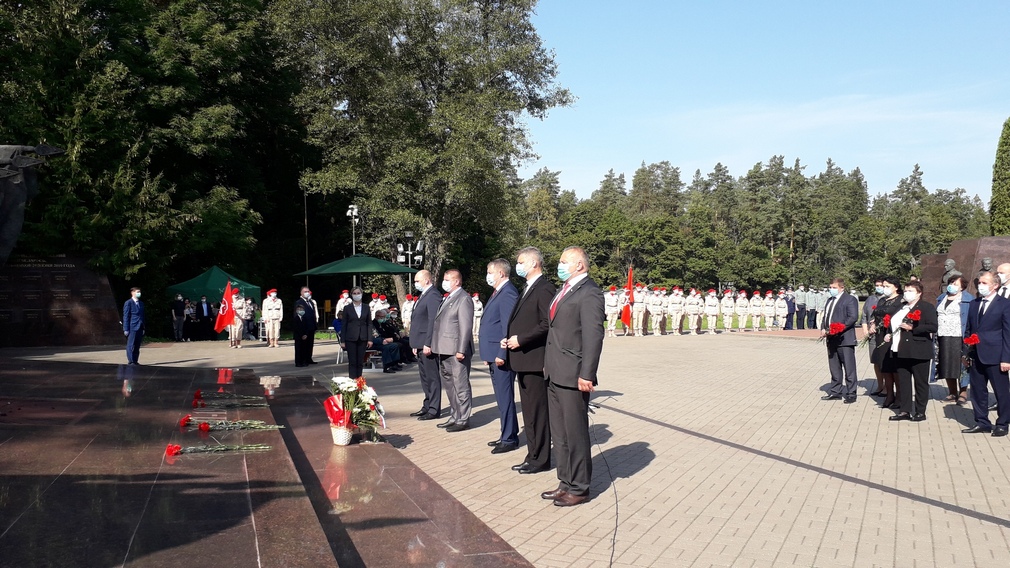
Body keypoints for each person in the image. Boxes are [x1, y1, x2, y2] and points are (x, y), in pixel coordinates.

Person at [540, 246, 605, 507]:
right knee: (560, 434)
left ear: (579, 265)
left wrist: (587, 373)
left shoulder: (590, 292)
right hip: (555, 371)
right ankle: (565, 482)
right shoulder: (564, 289)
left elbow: (593, 336)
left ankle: (580, 487)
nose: (560, 265)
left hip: (573, 374)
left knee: (575, 433)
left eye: (564, 261)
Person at [505, 246, 556, 474]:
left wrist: (521, 339)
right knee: (529, 413)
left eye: (520, 262)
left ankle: (541, 459)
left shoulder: (544, 288)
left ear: (534, 263)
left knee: (538, 412)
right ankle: (532, 455)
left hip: (534, 360)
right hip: (523, 359)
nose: (518, 266)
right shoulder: (527, 288)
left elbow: (547, 323)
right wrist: (510, 339)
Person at [962, 271, 1010, 436]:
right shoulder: (974, 303)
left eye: (984, 283)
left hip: (996, 355)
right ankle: (982, 422)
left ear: (995, 285)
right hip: (976, 354)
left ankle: (1002, 423)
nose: (980, 286)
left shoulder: (1004, 304)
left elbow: (1008, 333)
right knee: (977, 391)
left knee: (1001, 392)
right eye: (979, 283)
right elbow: (969, 329)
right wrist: (965, 353)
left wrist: (1006, 358)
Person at [479, 258, 520, 454]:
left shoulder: (508, 293)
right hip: (494, 354)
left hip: (501, 355)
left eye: (490, 272)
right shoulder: (498, 292)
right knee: (502, 399)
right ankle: (506, 433)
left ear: (501, 273)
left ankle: (509, 438)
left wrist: (501, 353)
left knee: (505, 398)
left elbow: (507, 327)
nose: (487, 276)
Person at [886, 281, 937, 421]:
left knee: (920, 383)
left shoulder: (926, 307)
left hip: (918, 350)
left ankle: (920, 412)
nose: (907, 293)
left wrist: (913, 328)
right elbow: (894, 323)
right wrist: (889, 333)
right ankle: (905, 411)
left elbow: (933, 326)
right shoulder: (902, 307)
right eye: (906, 290)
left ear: (919, 293)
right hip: (900, 349)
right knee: (904, 382)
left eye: (910, 291)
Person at [431, 269, 474, 432]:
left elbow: (465, 326)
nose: (445, 282)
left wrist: (461, 349)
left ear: (456, 281)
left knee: (460, 385)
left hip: (456, 350)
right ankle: (455, 415)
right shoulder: (448, 297)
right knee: (449, 385)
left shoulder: (463, 299)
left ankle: (463, 419)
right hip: (444, 349)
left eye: (447, 279)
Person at [819, 278, 859, 403]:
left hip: (844, 338)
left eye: (834, 288)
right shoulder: (829, 300)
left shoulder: (849, 299)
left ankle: (851, 392)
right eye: (830, 287)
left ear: (842, 288)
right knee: (834, 367)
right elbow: (826, 316)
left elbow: (852, 317)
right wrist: (823, 328)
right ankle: (835, 391)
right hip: (831, 338)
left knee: (849, 367)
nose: (831, 290)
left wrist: (838, 328)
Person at [409, 271, 442, 421]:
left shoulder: (433, 295)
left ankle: (434, 409)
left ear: (427, 280)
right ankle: (427, 405)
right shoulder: (423, 295)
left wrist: (428, 343)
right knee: (424, 377)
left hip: (427, 344)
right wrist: (415, 343)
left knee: (432, 377)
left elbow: (432, 321)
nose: (415, 283)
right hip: (419, 343)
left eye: (417, 281)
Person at [936, 276, 972, 404]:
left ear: (962, 287)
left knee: (961, 365)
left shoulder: (968, 300)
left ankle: (963, 392)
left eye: (956, 283)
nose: (952, 285)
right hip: (943, 335)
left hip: (959, 335)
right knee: (947, 364)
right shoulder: (941, 298)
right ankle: (952, 392)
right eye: (951, 282)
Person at [873, 276, 905, 408]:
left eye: (887, 286)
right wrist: (873, 323)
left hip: (893, 335)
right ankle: (889, 394)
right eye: (883, 286)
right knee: (884, 366)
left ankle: (900, 397)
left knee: (894, 367)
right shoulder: (882, 300)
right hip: (881, 335)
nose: (884, 288)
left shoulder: (901, 300)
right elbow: (876, 314)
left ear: (896, 287)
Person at [338, 287, 371, 376]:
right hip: (350, 338)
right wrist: (342, 341)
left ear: (362, 294)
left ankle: (359, 380)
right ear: (351, 295)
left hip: (363, 337)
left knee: (360, 361)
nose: (357, 295)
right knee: (352, 361)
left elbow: (369, 324)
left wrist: (370, 339)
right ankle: (352, 380)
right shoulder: (347, 308)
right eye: (354, 293)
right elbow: (344, 325)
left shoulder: (366, 307)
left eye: (358, 293)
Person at [859, 278, 884, 395]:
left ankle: (887, 387)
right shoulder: (870, 299)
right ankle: (880, 385)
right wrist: (865, 329)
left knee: (884, 361)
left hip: (884, 334)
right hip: (872, 335)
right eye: (877, 285)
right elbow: (864, 315)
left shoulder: (889, 299)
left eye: (881, 285)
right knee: (875, 361)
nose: (879, 287)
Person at [371, 309, 403, 373]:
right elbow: (373, 337)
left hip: (382, 341)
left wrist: (389, 338)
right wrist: (383, 340)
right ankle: (387, 366)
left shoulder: (382, 323)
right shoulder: (372, 324)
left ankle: (394, 363)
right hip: (374, 343)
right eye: (382, 317)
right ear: (377, 316)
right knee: (387, 347)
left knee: (395, 345)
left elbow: (386, 332)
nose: (383, 318)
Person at [293, 287, 318, 367]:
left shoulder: (311, 302)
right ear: (301, 293)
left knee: (309, 344)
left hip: (311, 327)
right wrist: (301, 330)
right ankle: (300, 361)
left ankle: (308, 358)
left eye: (308, 291)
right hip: (303, 327)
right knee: (301, 346)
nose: (307, 293)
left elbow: (313, 314)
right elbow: (298, 316)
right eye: (305, 291)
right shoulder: (299, 302)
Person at [122, 287, 145, 365]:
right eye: (137, 292)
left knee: (137, 345)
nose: (139, 293)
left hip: (140, 326)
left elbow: (142, 316)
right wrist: (126, 328)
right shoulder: (128, 303)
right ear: (132, 293)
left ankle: (135, 360)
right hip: (132, 326)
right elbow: (126, 316)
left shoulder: (141, 303)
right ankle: (131, 361)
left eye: (140, 292)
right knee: (131, 345)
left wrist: (143, 327)